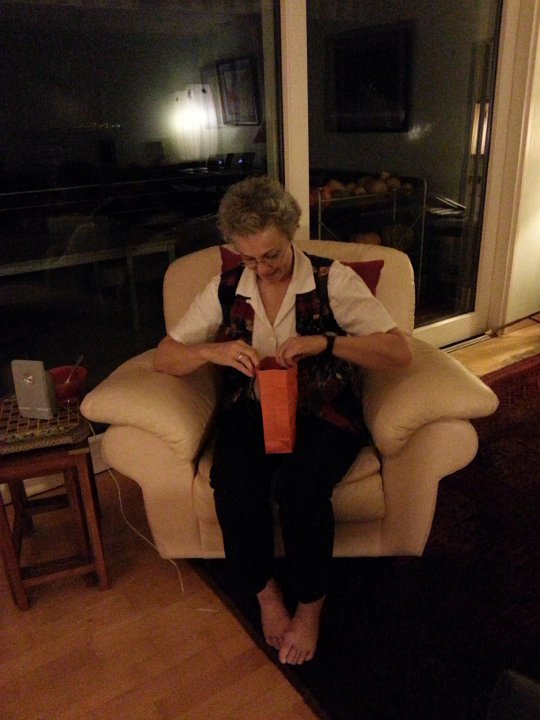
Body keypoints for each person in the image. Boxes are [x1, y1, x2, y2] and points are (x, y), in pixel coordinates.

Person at [155, 175, 412, 666]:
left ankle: (311, 607)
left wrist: (326, 343)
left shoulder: (332, 280)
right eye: (249, 258)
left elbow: (398, 352)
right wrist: (213, 351)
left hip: (324, 408)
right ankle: (267, 594)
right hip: (252, 406)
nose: (262, 269)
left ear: (291, 233)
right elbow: (166, 357)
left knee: (301, 487)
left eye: (271, 255)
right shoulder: (226, 286)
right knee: (234, 484)